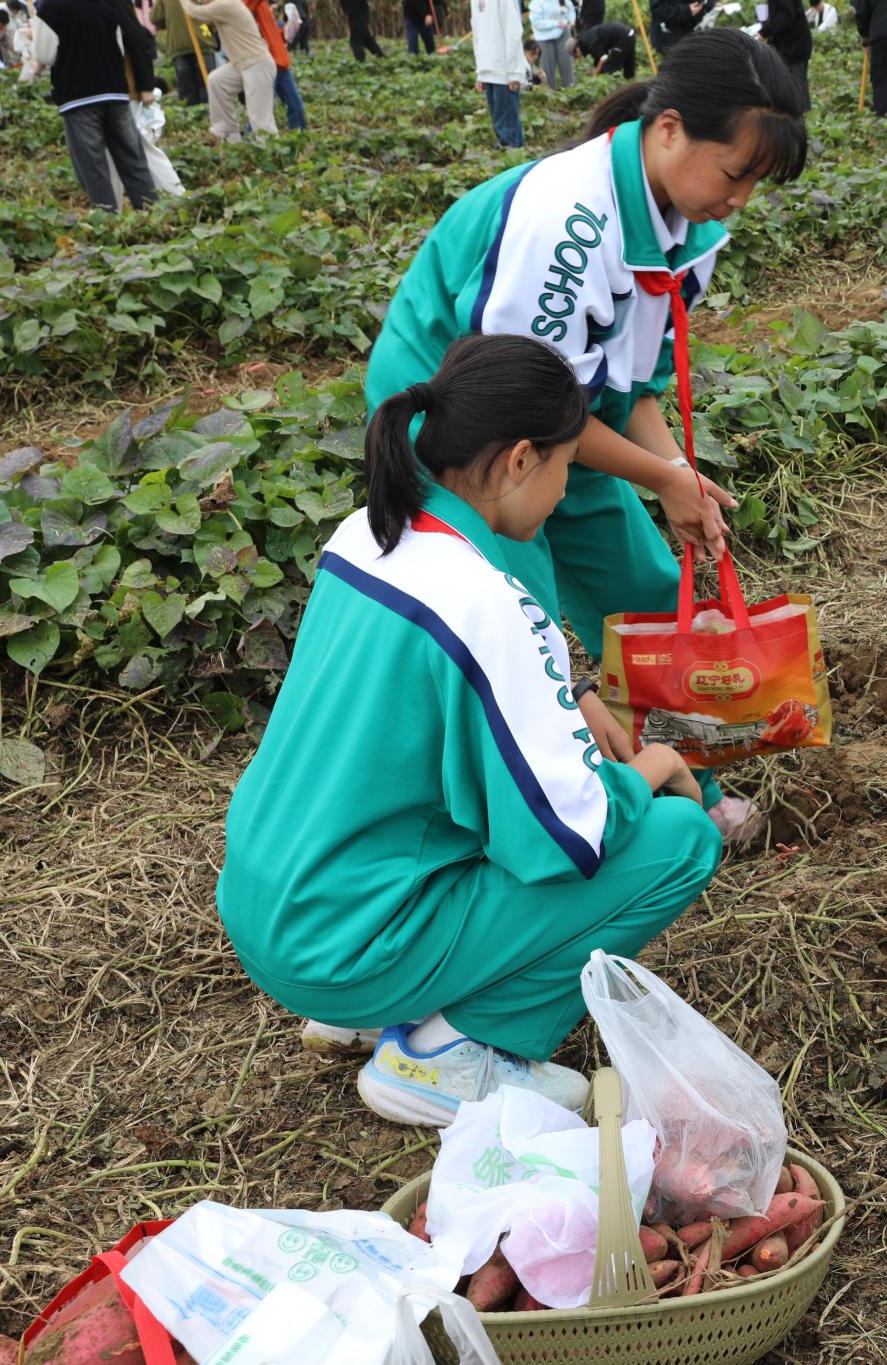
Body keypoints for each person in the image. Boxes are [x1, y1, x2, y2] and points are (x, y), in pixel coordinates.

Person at [220, 334, 724, 1127]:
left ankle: (375, 1005)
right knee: (677, 839)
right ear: (521, 459)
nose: (564, 490)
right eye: (567, 465)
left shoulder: (367, 534)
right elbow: (567, 835)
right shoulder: (485, 601)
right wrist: (654, 765)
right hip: (344, 947)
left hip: (270, 902)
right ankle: (449, 1050)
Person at [365, 30, 806, 849]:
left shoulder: (691, 227)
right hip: (462, 428)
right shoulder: (564, 225)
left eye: (758, 183)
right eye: (736, 173)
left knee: (647, 596)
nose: (742, 198)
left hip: (563, 422)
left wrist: (673, 472)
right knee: (518, 621)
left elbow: (629, 388)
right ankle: (548, 813)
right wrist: (661, 477)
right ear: (669, 129)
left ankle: (689, 782)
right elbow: (523, 415)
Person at [36, 0, 158, 209]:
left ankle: (106, 218)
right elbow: (121, 45)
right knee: (132, 159)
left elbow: (44, 54)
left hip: (78, 95)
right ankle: (152, 212)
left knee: (94, 166)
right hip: (114, 89)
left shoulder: (49, 6)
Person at [183, 0, 274, 139]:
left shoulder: (226, 4)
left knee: (260, 119)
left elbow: (195, 12)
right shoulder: (223, 6)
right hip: (241, 63)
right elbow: (203, 18)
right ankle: (227, 129)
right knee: (217, 81)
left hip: (256, 63)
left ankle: (270, 148)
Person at [468, 0, 525, 142]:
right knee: (499, 123)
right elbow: (477, 35)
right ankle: (511, 150)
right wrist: (480, 73)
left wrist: (514, 72)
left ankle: (513, 152)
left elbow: (513, 31)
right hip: (487, 69)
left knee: (508, 126)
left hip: (503, 70)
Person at [244, 0, 303, 128]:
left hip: (280, 62)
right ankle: (251, 139)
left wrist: (286, 32)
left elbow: (270, 32)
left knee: (296, 107)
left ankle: (299, 137)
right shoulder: (242, 5)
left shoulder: (263, 5)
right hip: (264, 63)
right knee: (262, 110)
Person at [755, 0, 806, 104]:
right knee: (787, 85)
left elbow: (786, 16)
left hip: (793, 46)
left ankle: (796, 111)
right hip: (785, 44)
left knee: (794, 87)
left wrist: (764, 33)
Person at [528, 0, 572, 86]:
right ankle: (550, 92)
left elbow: (570, 10)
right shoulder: (536, 3)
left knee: (566, 65)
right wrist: (556, 23)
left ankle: (571, 89)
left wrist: (569, 20)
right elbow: (536, 22)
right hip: (544, 37)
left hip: (562, 33)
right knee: (547, 69)